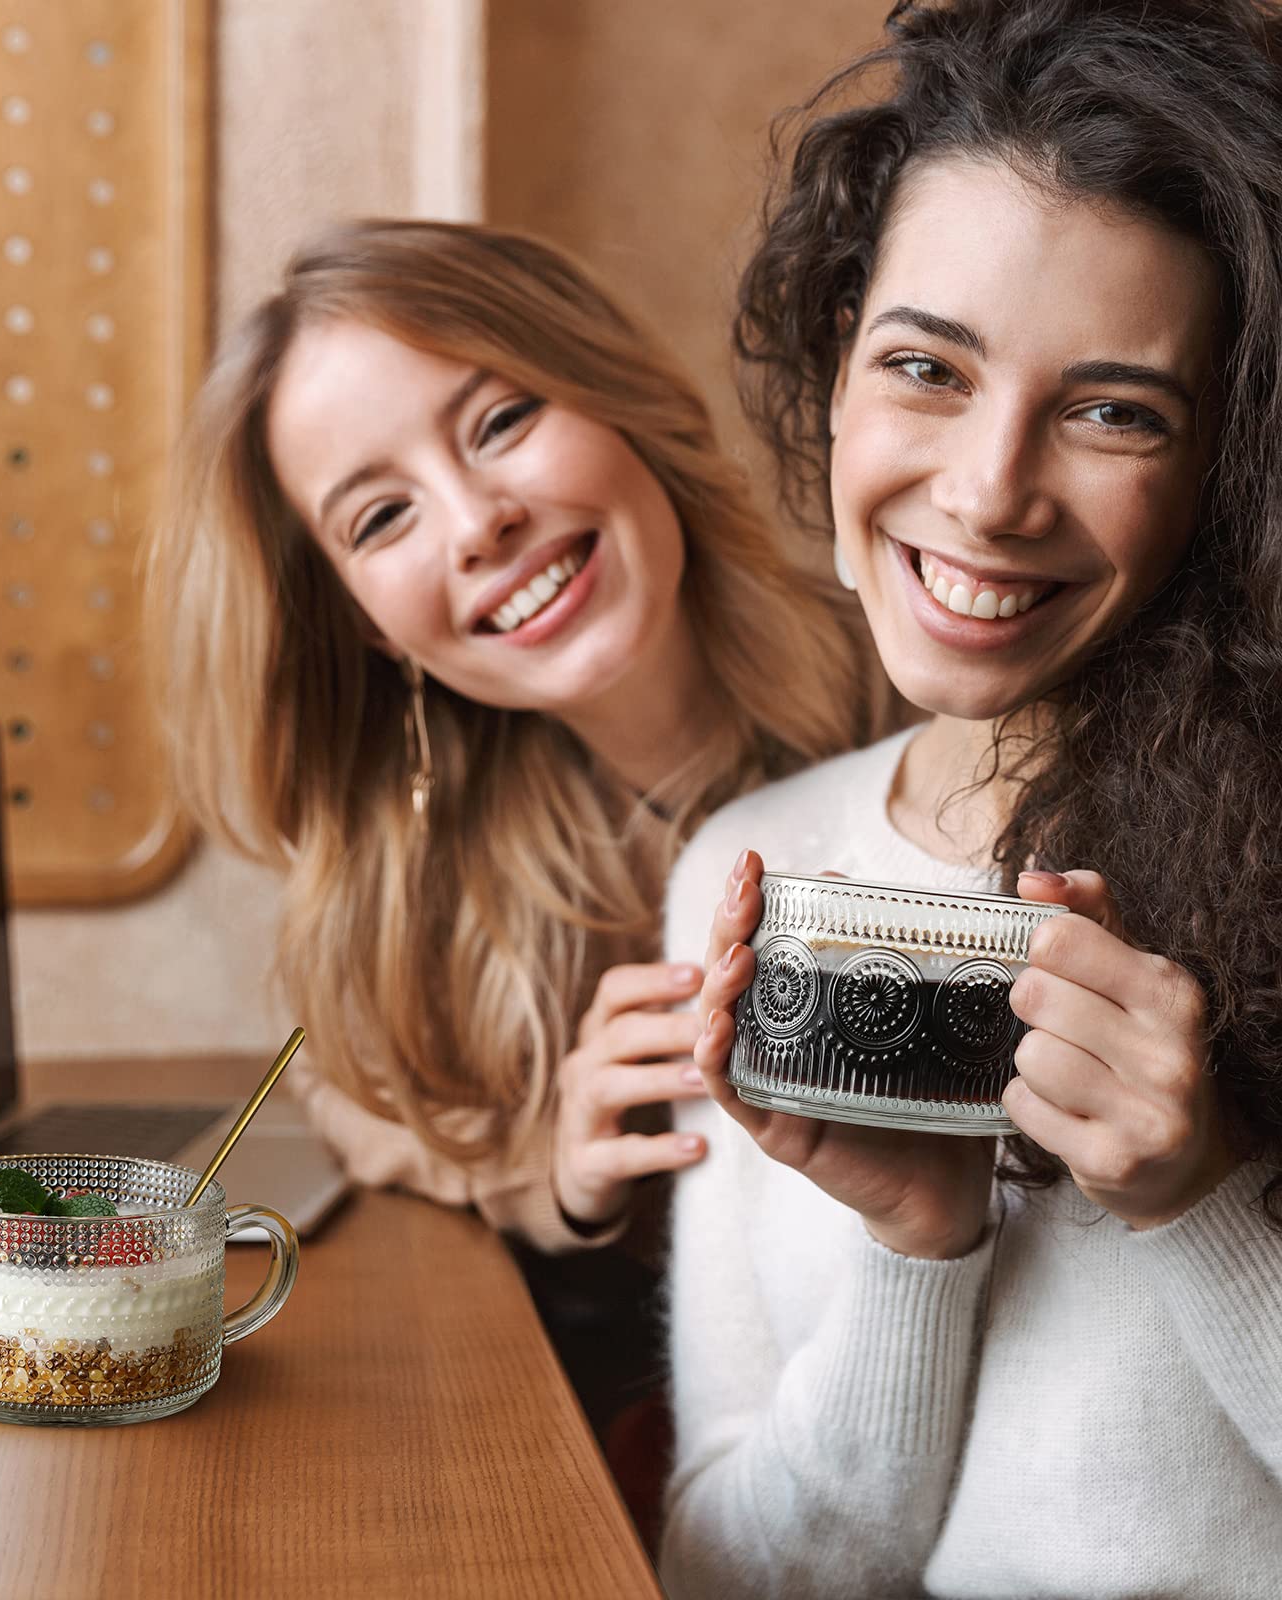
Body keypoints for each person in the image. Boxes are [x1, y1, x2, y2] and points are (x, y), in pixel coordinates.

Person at [660, 0, 1282, 1594]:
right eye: (927, 367)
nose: (991, 493)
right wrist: (915, 1246)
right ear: (839, 361)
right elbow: (731, 1577)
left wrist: (1202, 1202)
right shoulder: (756, 867)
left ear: (1228, 467)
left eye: (1114, 410)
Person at [145, 221, 882, 1490]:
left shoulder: (922, 690)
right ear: (366, 626)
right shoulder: (422, 879)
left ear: (616, 396)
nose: (478, 521)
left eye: (499, 422)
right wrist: (550, 1169)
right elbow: (353, 1096)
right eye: (383, 516)